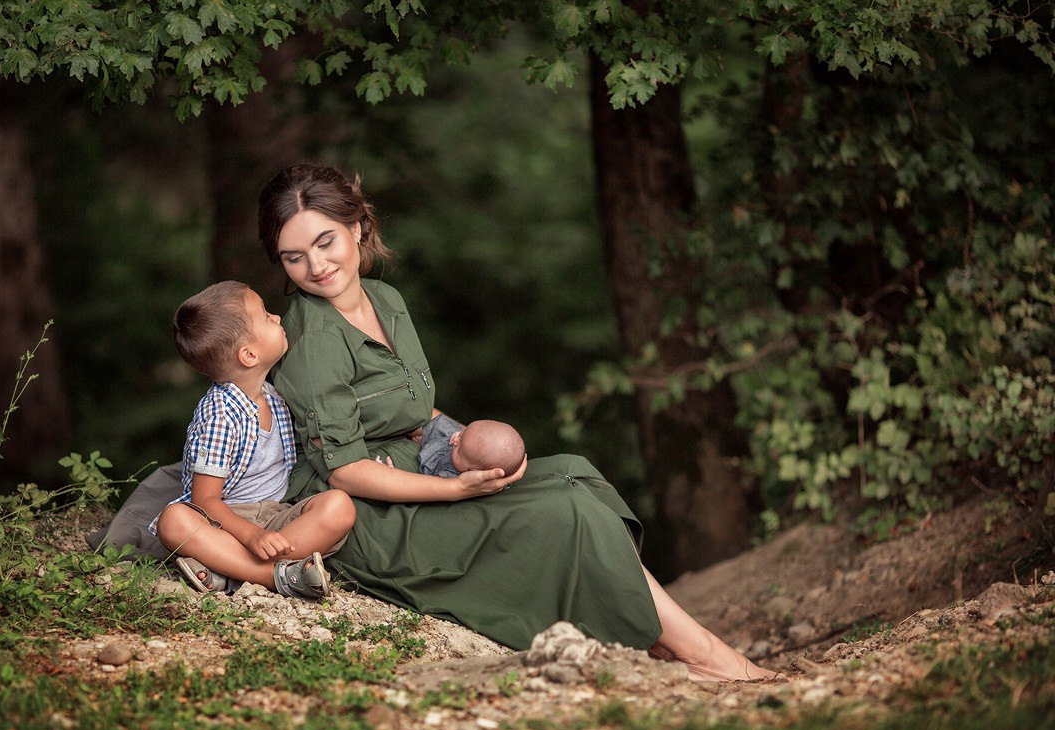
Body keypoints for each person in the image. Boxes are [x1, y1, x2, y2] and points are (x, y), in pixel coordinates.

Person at [259, 163, 779, 681]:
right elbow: (345, 471)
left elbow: (417, 410)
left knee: (574, 475)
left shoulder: (386, 300)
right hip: (374, 513)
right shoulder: (316, 341)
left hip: (423, 466)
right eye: (295, 257)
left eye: (326, 241)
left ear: (357, 227)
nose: (317, 265)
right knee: (562, 512)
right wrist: (460, 491)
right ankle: (704, 654)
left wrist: (479, 450)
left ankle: (658, 638)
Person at [152, 280, 356, 599]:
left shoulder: (272, 396)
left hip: (276, 517)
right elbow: (205, 500)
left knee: (339, 506)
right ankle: (277, 578)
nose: (277, 318)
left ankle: (231, 572)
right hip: (227, 523)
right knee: (173, 521)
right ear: (249, 355)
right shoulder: (218, 415)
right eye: (265, 316)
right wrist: (251, 536)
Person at [415, 414, 525, 479]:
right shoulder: (467, 446)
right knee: (440, 428)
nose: (455, 440)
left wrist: (427, 447)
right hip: (447, 443)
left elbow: (432, 485)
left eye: (459, 451)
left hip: (439, 460)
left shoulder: (450, 476)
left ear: (473, 472)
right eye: (463, 433)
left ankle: (428, 443)